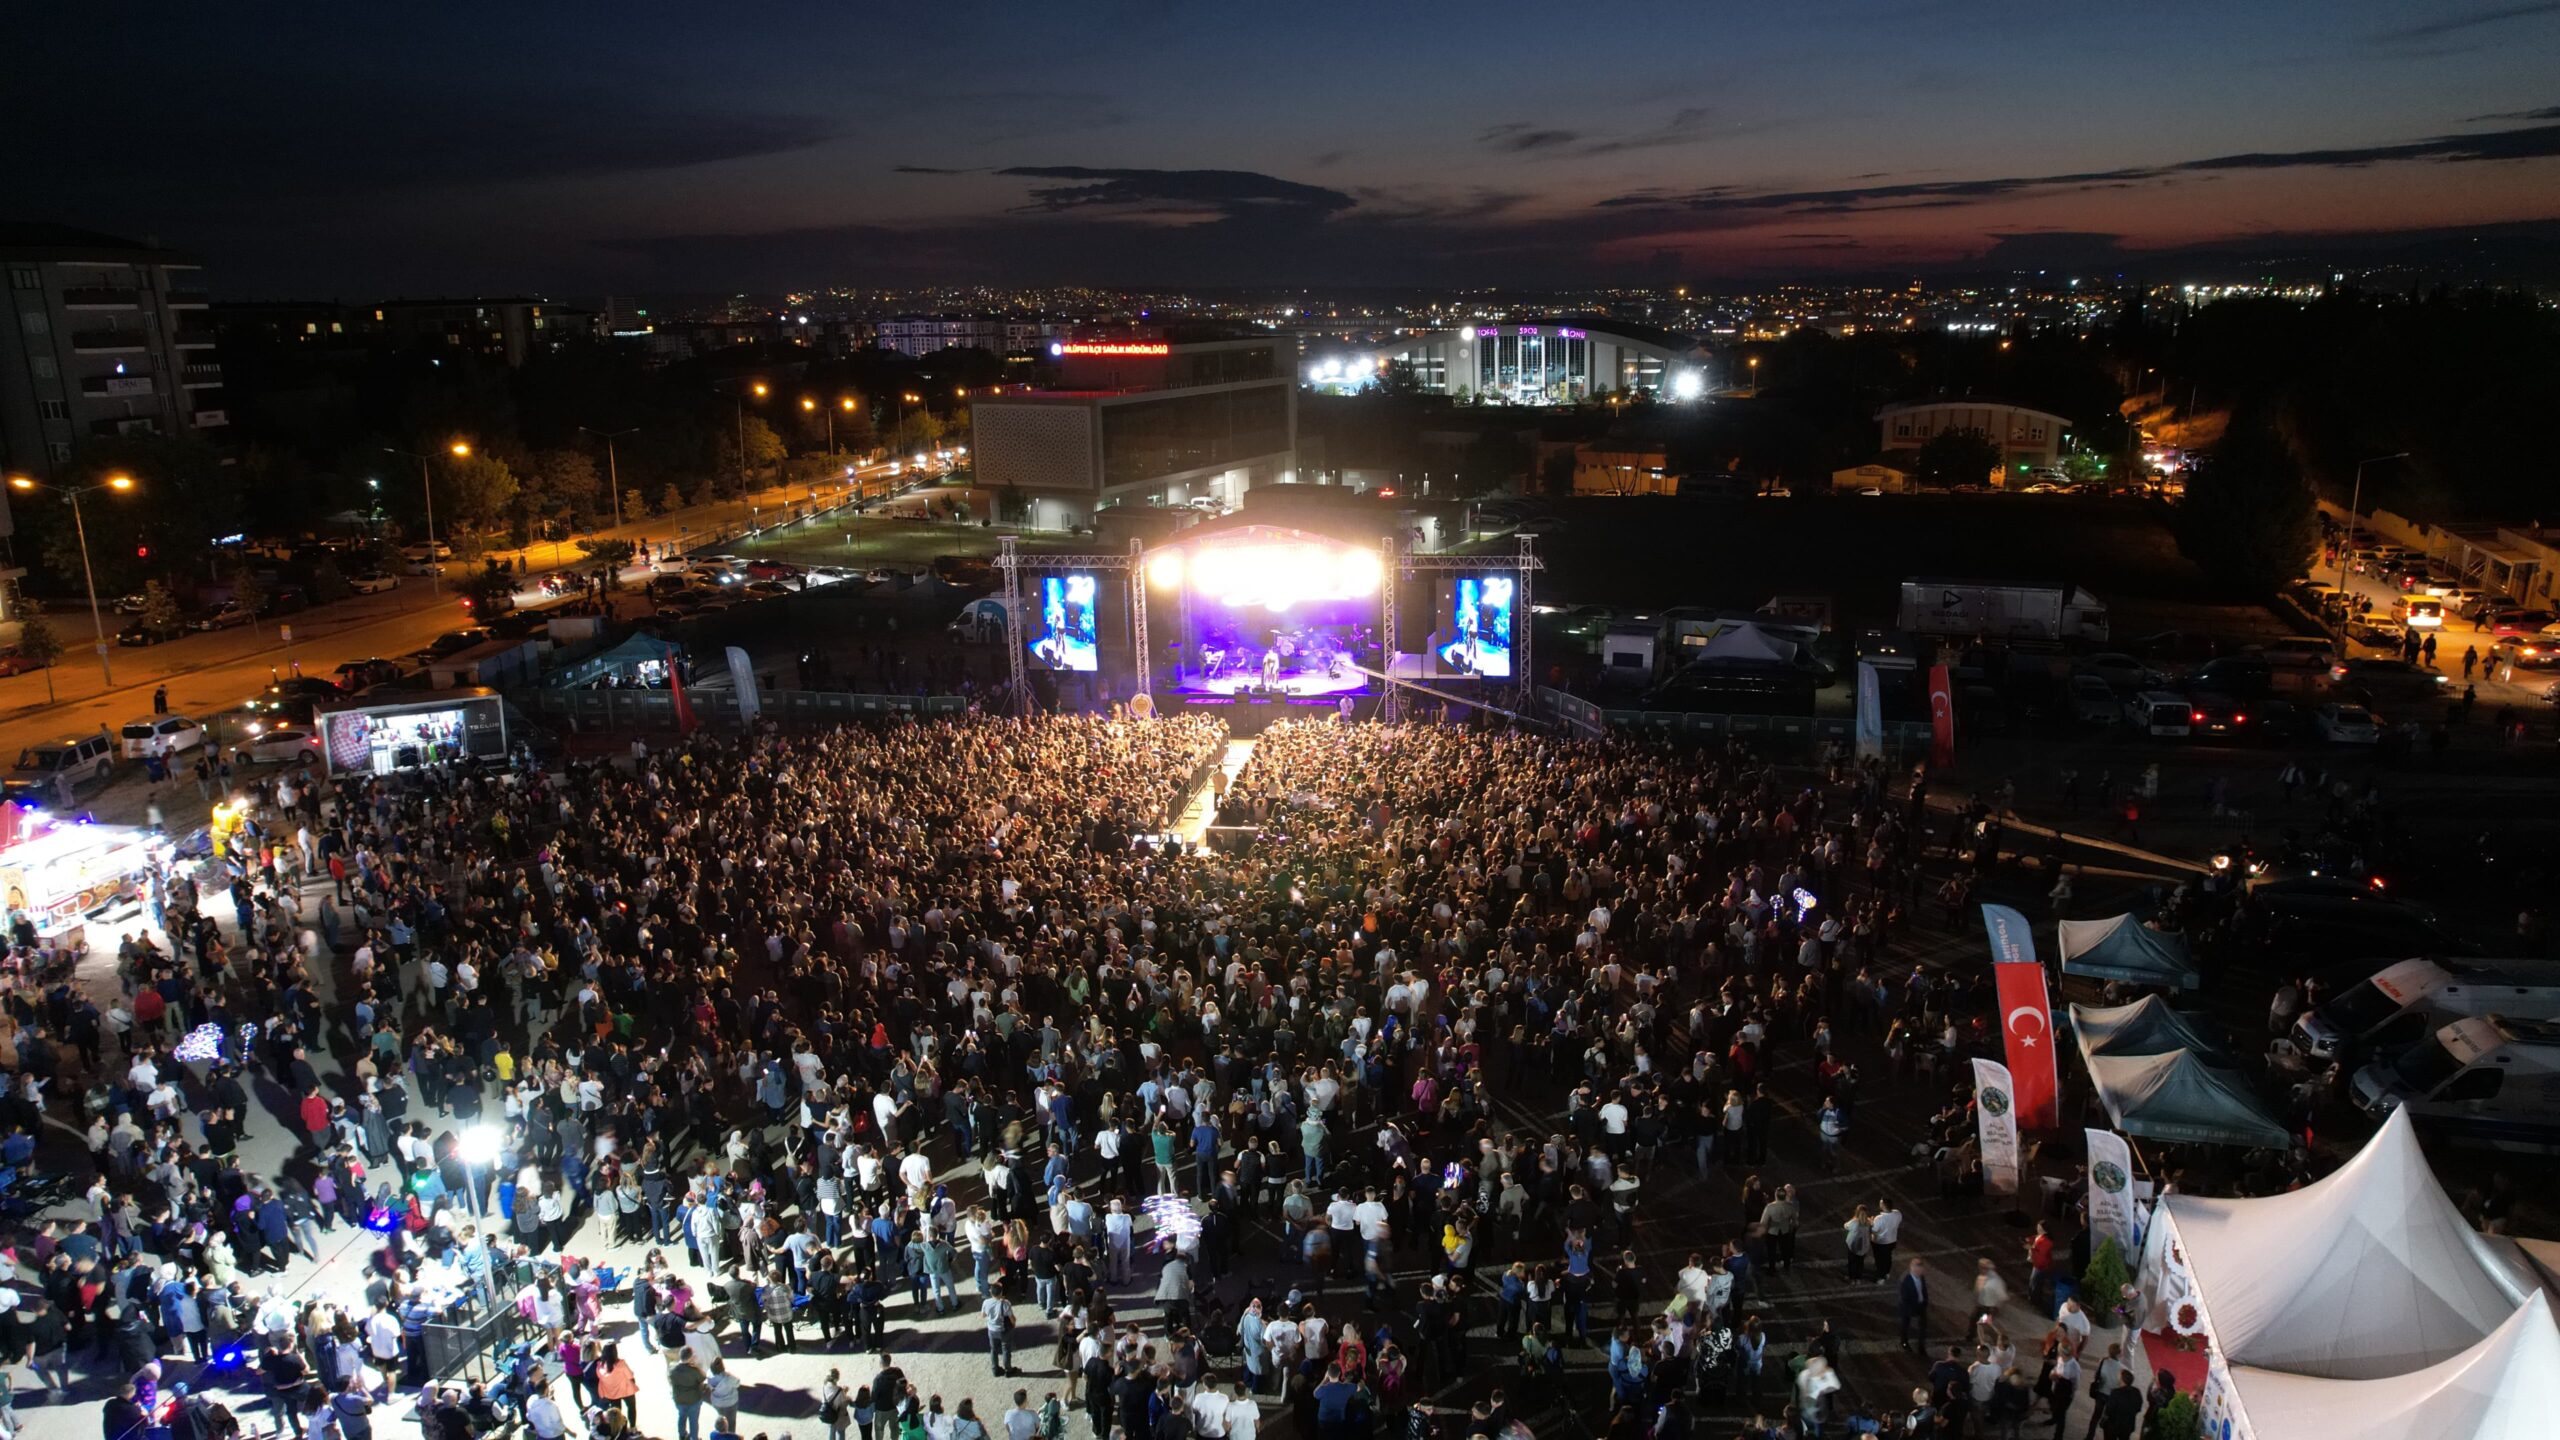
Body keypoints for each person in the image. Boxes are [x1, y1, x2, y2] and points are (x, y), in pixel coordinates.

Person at [1900, 1257, 1933, 1353]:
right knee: (1905, 1324)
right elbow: (1904, 1297)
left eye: (1921, 1268)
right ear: (1912, 1268)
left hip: (1920, 1306)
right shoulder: (1906, 1281)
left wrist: (1925, 1301)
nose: (1921, 1271)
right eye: (1919, 1268)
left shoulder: (1921, 1277)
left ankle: (1921, 1347)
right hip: (1908, 1307)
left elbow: (1923, 1290)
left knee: (1923, 1326)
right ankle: (1904, 1341)